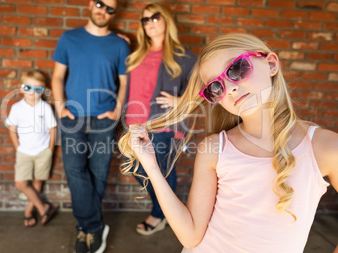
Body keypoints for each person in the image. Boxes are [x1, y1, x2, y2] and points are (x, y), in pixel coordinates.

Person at [119, 33, 338, 252]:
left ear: (271, 64)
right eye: (216, 87)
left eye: (237, 69)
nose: (230, 88)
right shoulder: (215, 148)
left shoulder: (324, 147)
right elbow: (191, 236)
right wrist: (151, 166)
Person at [51, 0, 129, 253]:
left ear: (113, 14)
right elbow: (58, 76)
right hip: (72, 117)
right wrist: (60, 107)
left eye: (110, 9)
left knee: (98, 173)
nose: (103, 11)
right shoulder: (69, 38)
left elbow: (124, 81)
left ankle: (85, 228)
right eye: (100, 5)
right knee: (74, 170)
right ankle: (94, 226)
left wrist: (117, 111)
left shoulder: (119, 44)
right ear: (90, 4)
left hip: (103, 118)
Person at [124, 3, 196, 236]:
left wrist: (180, 101)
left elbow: (202, 88)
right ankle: (164, 209)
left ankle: (160, 214)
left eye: (155, 17)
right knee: (136, 168)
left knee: (161, 172)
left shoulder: (183, 57)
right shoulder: (137, 55)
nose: (150, 23)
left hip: (161, 125)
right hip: (133, 124)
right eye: (145, 20)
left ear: (166, 20)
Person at [6, 71, 58, 227]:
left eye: (37, 89)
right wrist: (17, 147)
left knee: (38, 181)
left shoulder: (45, 108)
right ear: (21, 88)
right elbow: (12, 128)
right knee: (21, 183)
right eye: (27, 87)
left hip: (43, 151)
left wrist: (50, 150)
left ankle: (29, 211)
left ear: (43, 91)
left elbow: (52, 129)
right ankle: (43, 208)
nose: (32, 92)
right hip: (24, 151)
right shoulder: (16, 108)